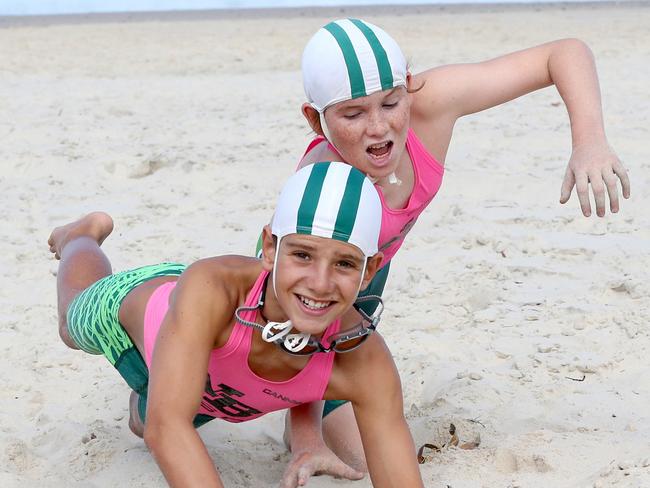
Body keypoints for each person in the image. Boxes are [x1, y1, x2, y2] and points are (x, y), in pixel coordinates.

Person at [284, 17, 632, 481]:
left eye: (391, 103)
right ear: (316, 119)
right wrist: (306, 439)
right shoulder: (325, 185)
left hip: (367, 279)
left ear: (409, 87)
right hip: (309, 305)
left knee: (380, 454)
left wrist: (589, 141)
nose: (379, 128)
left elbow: (563, 52)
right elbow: (290, 316)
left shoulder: (433, 103)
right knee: (177, 405)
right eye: (353, 115)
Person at [48, 162, 424, 488]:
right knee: (71, 324)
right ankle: (79, 237)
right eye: (302, 255)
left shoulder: (365, 359)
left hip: (215, 386)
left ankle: (148, 396)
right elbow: (166, 430)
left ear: (369, 270)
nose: (320, 283)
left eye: (344, 263)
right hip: (140, 320)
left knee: (150, 416)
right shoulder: (211, 289)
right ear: (271, 248)